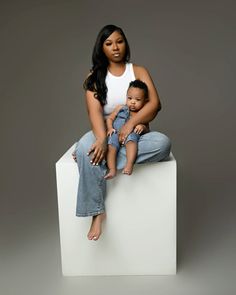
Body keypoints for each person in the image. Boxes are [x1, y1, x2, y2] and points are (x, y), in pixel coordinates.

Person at [72, 24, 171, 241]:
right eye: (109, 43)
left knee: (163, 144)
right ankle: (96, 212)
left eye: (120, 41)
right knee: (84, 147)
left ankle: (96, 159)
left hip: (135, 134)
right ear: (102, 48)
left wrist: (131, 124)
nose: (115, 47)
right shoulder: (95, 75)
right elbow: (94, 111)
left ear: (126, 44)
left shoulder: (139, 71)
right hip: (106, 130)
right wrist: (100, 139)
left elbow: (154, 104)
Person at [104, 79, 149, 179]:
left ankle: (129, 164)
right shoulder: (120, 108)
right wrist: (110, 128)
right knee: (111, 144)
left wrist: (141, 126)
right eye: (129, 98)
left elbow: (147, 129)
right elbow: (110, 118)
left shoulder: (141, 114)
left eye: (137, 100)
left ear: (145, 101)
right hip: (116, 132)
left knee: (132, 140)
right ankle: (112, 169)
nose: (133, 102)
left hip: (130, 135)